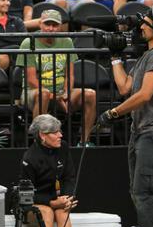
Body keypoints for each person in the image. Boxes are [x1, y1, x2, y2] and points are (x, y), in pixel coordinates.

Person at [97, 5, 153, 227]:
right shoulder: (147, 56)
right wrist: (115, 57)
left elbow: (144, 95)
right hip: (141, 131)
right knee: (139, 191)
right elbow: (125, 87)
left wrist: (113, 113)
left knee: (146, 192)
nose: (140, 27)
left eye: (145, 23)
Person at [15, 9, 97, 146]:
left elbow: (69, 75)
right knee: (44, 94)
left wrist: (65, 94)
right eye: (47, 24)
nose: (50, 29)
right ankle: (39, 142)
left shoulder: (66, 41)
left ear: (60, 26)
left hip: (60, 92)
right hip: (33, 92)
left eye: (54, 25)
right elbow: (31, 79)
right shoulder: (29, 43)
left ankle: (84, 141)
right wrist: (55, 96)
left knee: (90, 94)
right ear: (40, 24)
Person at [20, 114, 78, 227]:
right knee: (46, 212)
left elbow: (69, 177)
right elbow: (27, 196)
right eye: (55, 133)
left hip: (57, 199)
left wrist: (67, 199)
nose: (60, 136)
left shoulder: (63, 147)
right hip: (34, 203)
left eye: (60, 131)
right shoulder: (30, 158)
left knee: (63, 212)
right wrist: (51, 203)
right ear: (42, 135)